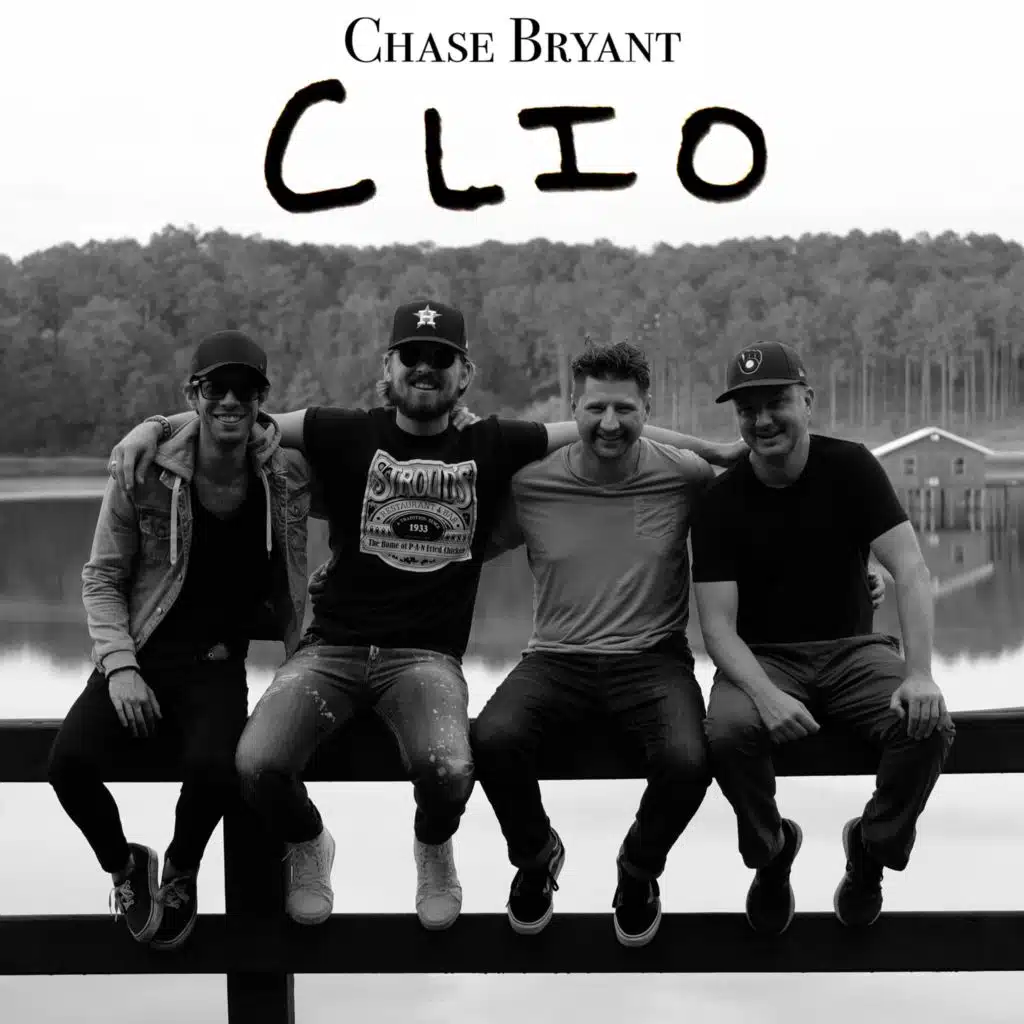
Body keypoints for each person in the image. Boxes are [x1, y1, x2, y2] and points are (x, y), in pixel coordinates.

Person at [109, 299, 744, 933]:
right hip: (331, 650)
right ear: (388, 366)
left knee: (451, 769)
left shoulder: (492, 444)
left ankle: (437, 848)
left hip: (426, 659)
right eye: (412, 355)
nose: (425, 368)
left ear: (463, 373)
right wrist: (154, 427)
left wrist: (714, 452)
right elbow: (239, 415)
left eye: (440, 359)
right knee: (256, 764)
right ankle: (309, 844)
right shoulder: (340, 430)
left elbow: (606, 426)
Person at [48, 330, 309, 950]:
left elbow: (371, 449)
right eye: (216, 388)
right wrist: (120, 667)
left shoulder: (284, 474)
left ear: (261, 399)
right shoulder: (142, 468)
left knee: (218, 767)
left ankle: (182, 869)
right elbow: (102, 578)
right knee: (66, 765)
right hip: (139, 654)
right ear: (194, 393)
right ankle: (125, 867)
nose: (230, 401)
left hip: (216, 665)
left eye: (244, 389)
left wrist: (304, 663)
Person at [691, 340, 954, 935]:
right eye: (747, 409)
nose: (762, 420)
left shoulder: (851, 467)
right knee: (728, 733)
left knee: (928, 724)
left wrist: (920, 673)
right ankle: (771, 854)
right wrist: (765, 697)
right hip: (762, 658)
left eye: (776, 403)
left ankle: (870, 852)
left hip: (854, 653)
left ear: (807, 400)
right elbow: (717, 628)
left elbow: (911, 571)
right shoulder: (719, 501)